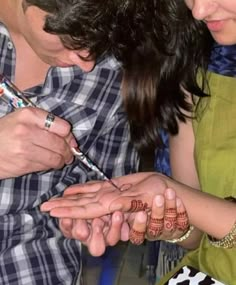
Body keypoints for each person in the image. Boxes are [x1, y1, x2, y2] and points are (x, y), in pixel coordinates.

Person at [41, 0, 236, 284]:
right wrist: (155, 210)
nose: (199, 10)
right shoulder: (199, 75)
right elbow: (195, 237)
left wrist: (181, 198)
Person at [0, 1, 140, 284]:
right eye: (70, 35)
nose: (88, 62)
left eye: (96, 40)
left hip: (33, 257)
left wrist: (94, 214)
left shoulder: (112, 71)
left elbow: (108, 184)